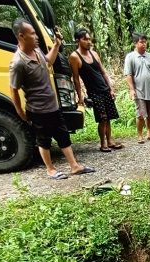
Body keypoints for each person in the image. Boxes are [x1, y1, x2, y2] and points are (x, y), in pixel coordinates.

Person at [9, 18, 94, 180]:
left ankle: (74, 166)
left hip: (53, 106)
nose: (36, 37)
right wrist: (20, 112)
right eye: (33, 34)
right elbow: (13, 89)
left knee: (63, 136)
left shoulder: (37, 51)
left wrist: (56, 45)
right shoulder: (18, 63)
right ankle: (50, 169)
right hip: (37, 110)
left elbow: (48, 62)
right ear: (21, 36)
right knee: (44, 140)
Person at [70, 28, 123, 152]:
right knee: (102, 118)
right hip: (94, 92)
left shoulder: (94, 54)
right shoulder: (74, 57)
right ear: (78, 40)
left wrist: (111, 88)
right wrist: (80, 96)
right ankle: (103, 143)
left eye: (89, 39)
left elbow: (103, 72)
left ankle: (110, 141)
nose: (88, 42)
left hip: (104, 89)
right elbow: (76, 79)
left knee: (108, 117)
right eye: (85, 39)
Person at [124, 32, 150, 144]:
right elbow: (128, 75)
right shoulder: (131, 57)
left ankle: (149, 133)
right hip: (139, 90)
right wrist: (132, 89)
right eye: (141, 42)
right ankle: (140, 135)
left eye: (145, 42)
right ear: (135, 43)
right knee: (141, 114)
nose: (144, 44)